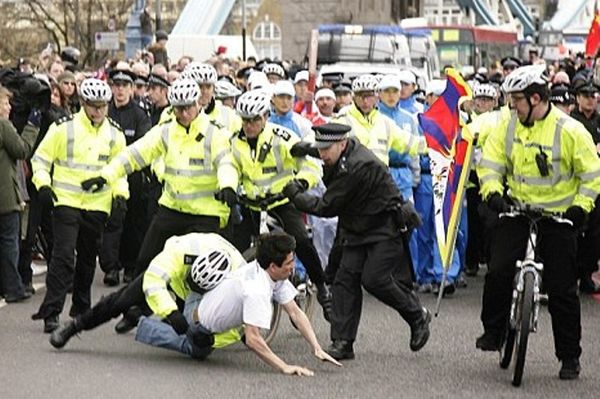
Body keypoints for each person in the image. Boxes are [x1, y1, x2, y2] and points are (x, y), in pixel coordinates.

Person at [80, 78, 238, 332]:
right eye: (178, 108)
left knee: (195, 274)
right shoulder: (166, 130)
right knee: (145, 263)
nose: (183, 113)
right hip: (172, 209)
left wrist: (227, 185)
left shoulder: (214, 132)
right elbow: (134, 154)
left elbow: (226, 163)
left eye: (188, 107)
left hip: (206, 214)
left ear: (198, 103)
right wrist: (107, 175)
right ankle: (137, 310)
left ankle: (198, 321)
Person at [476, 65, 600, 380]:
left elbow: (591, 175)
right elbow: (490, 164)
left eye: (516, 100)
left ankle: (569, 356)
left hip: (559, 218)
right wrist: (493, 193)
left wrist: (579, 208)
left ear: (535, 98)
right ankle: (493, 332)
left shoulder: (570, 131)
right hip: (517, 210)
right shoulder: (508, 127)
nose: (511, 107)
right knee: (499, 270)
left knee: (562, 290)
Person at [283, 122, 432, 360]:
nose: (322, 155)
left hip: (383, 226)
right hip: (357, 228)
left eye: (325, 150)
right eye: (319, 149)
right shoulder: (344, 151)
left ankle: (417, 316)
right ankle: (343, 341)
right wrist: (307, 149)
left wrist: (295, 195)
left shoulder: (355, 167)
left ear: (342, 144)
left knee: (375, 279)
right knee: (345, 280)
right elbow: (328, 152)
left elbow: (325, 206)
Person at [133, 233, 342, 375]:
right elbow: (252, 339)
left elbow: (295, 312)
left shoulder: (270, 273)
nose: (293, 268)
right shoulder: (257, 290)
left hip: (203, 296)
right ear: (273, 266)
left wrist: (316, 347)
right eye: (289, 263)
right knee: (197, 349)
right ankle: (142, 324)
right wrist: (284, 366)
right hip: (196, 318)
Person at [30, 78, 128, 332]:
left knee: (87, 259)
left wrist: (120, 195)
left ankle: (81, 308)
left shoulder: (115, 134)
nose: (98, 111)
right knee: (63, 257)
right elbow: (40, 159)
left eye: (103, 106)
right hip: (65, 201)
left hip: (97, 205)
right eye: (93, 106)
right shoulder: (64, 128)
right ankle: (51, 312)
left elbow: (120, 170)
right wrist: (43, 185)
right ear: (83, 103)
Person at [230, 89, 333, 321]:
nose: (249, 125)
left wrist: (300, 183)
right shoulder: (235, 141)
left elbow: (312, 166)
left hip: (282, 200)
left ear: (266, 116)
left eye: (255, 120)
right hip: (252, 202)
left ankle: (322, 288)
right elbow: (230, 167)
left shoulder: (284, 137)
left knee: (301, 240)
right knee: (234, 247)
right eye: (245, 120)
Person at [49, 233, 244, 352]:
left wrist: (215, 340)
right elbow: (153, 281)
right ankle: (75, 326)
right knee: (121, 300)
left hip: (205, 297)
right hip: (172, 278)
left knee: (200, 344)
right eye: (193, 281)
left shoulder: (237, 281)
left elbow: (241, 324)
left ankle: (141, 317)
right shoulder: (180, 251)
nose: (193, 287)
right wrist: (171, 312)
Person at [100, 68, 152, 286]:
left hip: (133, 178)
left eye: (124, 86)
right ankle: (111, 267)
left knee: (133, 224)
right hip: (109, 176)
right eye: (116, 86)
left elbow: (144, 145)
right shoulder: (105, 113)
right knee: (111, 224)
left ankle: (131, 267)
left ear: (131, 89)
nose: (120, 90)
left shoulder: (139, 116)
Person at [0, 87, 40, 302]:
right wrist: (32, 126)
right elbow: (22, 150)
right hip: (5, 198)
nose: (9, 108)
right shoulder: (4, 125)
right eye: (5, 103)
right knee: (9, 244)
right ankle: (13, 288)